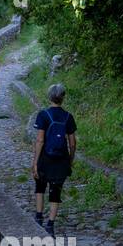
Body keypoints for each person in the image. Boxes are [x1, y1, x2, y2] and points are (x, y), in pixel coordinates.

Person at [32, 83, 76, 236]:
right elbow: (72, 143)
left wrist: (35, 162)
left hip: (45, 158)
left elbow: (40, 140)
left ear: (49, 97)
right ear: (63, 97)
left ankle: (38, 217)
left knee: (40, 187)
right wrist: (70, 160)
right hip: (61, 159)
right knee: (55, 191)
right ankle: (50, 224)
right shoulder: (68, 117)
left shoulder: (43, 115)